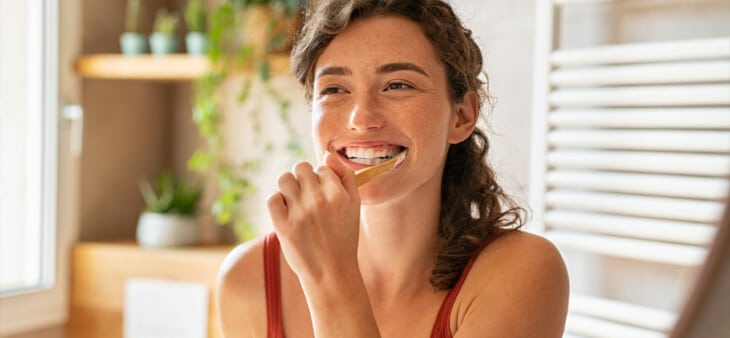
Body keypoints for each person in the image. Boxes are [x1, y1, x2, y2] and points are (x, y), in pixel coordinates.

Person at [217, 0, 569, 337]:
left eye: (398, 85)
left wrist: (331, 276)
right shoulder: (248, 280)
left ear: (461, 116)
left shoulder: (522, 273)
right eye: (335, 89)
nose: (361, 118)